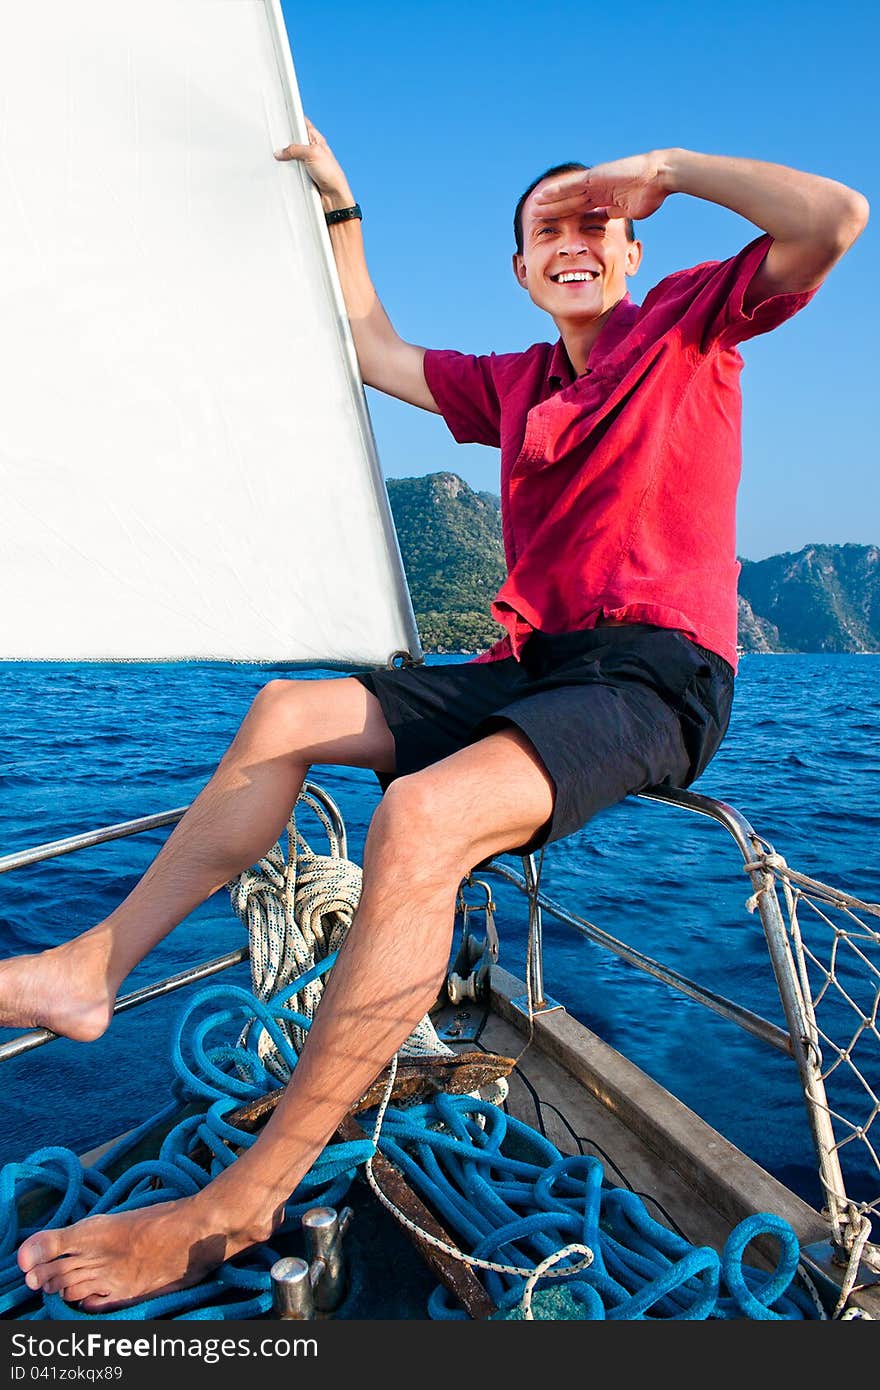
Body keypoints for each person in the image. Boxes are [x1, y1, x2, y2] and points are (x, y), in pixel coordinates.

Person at [1, 123, 867, 1310]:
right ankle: (88, 970)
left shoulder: (690, 322)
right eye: (546, 228)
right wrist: (346, 211)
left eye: (592, 221)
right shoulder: (510, 382)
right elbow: (368, 347)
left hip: (653, 673)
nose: (573, 238)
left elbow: (830, 220)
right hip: (529, 664)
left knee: (420, 817)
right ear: (520, 270)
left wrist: (661, 171)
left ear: (629, 247)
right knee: (284, 711)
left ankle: (241, 1200)